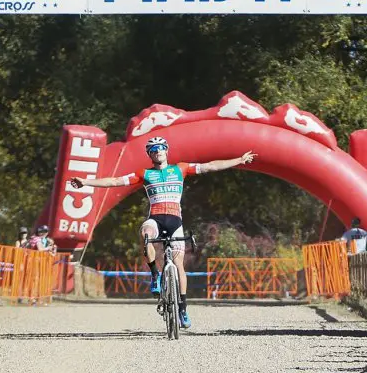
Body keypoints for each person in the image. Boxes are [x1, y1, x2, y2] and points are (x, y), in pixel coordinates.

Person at [70, 136, 256, 329]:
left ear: (167, 151)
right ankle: (154, 275)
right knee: (145, 232)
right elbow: (115, 181)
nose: (158, 151)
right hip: (156, 219)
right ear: (149, 154)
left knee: (178, 265)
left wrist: (239, 160)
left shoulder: (180, 169)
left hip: (175, 221)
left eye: (161, 148)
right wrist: (86, 182)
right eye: (153, 149)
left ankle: (182, 309)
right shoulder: (145, 174)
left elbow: (210, 166)